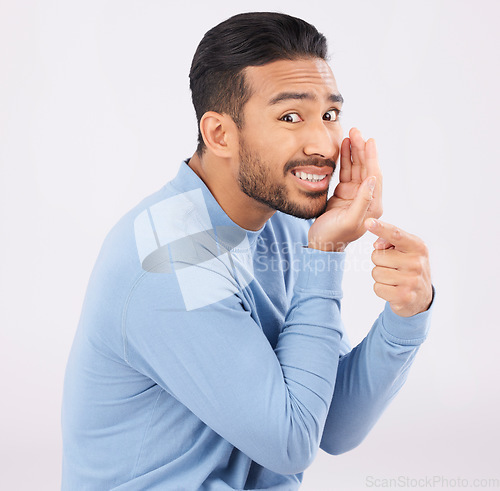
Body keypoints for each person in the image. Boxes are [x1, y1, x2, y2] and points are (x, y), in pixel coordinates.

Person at [61, 12, 434, 490]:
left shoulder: (278, 223)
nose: (323, 143)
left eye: (330, 115)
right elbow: (293, 443)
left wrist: (406, 317)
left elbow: (334, 424)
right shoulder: (169, 256)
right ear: (220, 134)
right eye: (290, 117)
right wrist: (327, 253)